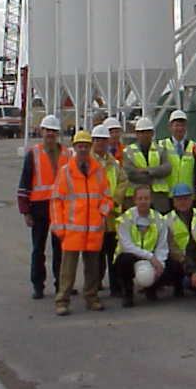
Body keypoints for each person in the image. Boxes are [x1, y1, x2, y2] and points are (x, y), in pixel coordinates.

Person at [51, 130, 112, 315]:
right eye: (80, 146)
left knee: (92, 269)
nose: (83, 149)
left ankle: (91, 298)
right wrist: (59, 227)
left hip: (93, 229)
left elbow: (107, 197)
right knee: (67, 270)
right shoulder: (66, 172)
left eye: (86, 146)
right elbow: (56, 200)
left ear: (90, 147)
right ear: (75, 147)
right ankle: (62, 301)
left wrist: (101, 214)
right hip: (72, 229)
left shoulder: (99, 171)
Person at [16, 113, 70, 299]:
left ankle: (61, 284)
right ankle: (38, 285)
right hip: (39, 207)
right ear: (41, 131)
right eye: (47, 130)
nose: (50, 134)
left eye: (53, 131)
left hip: (60, 208)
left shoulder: (67, 154)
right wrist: (25, 211)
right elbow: (24, 182)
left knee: (60, 250)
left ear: (57, 133)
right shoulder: (33, 153)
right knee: (38, 248)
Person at [114, 185, 173, 307]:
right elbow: (127, 246)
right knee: (123, 260)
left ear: (151, 200)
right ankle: (128, 294)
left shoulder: (159, 219)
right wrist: (150, 257)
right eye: (140, 198)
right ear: (134, 200)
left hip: (152, 257)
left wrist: (159, 265)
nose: (143, 201)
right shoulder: (125, 219)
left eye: (146, 198)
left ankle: (151, 288)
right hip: (131, 256)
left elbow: (162, 246)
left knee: (172, 265)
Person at [92, 123, 127, 296]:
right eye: (98, 140)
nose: (101, 144)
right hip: (95, 215)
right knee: (96, 255)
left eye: (104, 140)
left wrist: (114, 202)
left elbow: (122, 181)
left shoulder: (113, 162)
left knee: (114, 253)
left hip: (112, 215)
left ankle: (116, 286)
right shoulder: (88, 162)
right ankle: (95, 284)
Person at [122, 117, 172, 214]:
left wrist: (147, 170)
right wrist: (154, 175)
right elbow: (129, 173)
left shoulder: (161, 149)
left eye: (147, 132)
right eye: (141, 132)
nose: (144, 135)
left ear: (152, 133)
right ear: (136, 134)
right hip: (136, 198)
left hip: (158, 198)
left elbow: (167, 168)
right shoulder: (128, 151)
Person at [163, 183, 195, 297]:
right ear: (174, 201)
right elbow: (169, 245)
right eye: (179, 199)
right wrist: (183, 259)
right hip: (178, 259)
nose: (183, 202)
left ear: (191, 199)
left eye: (186, 199)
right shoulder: (166, 219)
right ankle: (177, 286)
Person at [160, 109, 196, 198]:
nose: (180, 128)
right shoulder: (161, 146)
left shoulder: (195, 147)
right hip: (169, 194)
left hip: (188, 195)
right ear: (170, 127)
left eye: (182, 125)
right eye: (176, 125)